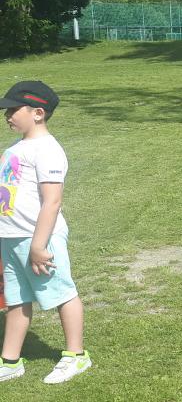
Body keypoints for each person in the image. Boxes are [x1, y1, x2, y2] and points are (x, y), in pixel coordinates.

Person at [0, 81, 91, 384]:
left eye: (13, 109)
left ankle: (76, 355)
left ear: (38, 113)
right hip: (12, 237)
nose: (7, 115)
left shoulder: (48, 150)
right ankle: (10, 361)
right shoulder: (15, 148)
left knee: (62, 292)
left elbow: (52, 201)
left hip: (38, 238)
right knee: (16, 298)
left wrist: (39, 246)